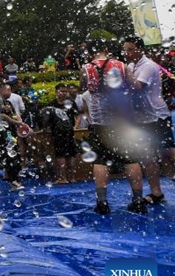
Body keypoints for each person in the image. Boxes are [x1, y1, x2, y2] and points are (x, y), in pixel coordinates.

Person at [81, 40, 147, 215]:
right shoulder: (121, 65)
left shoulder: (86, 69)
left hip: (99, 121)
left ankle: (102, 202)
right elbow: (136, 87)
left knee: (101, 160)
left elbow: (85, 89)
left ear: (89, 52)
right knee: (131, 159)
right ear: (107, 50)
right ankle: (138, 200)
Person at [123, 36, 173, 205]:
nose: (126, 53)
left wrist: (125, 72)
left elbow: (138, 87)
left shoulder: (148, 66)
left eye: (130, 49)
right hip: (142, 118)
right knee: (147, 156)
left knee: (168, 152)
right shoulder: (131, 66)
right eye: (125, 49)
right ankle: (156, 192)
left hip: (157, 115)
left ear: (140, 49)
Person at [39, 84, 79, 184]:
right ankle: (64, 177)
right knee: (63, 155)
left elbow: (78, 115)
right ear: (56, 92)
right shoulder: (52, 104)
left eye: (66, 91)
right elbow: (46, 120)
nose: (64, 93)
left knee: (69, 154)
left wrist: (75, 127)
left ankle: (68, 177)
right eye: (62, 91)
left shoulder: (70, 103)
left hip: (68, 131)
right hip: (58, 132)